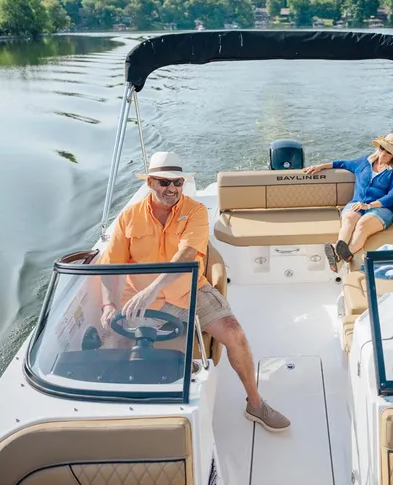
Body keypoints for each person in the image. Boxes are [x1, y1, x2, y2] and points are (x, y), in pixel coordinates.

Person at [98, 151, 290, 432]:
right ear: (150, 183)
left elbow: (188, 254)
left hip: (188, 290)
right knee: (119, 343)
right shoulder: (129, 216)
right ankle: (126, 413)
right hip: (139, 298)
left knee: (234, 332)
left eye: (177, 183)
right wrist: (108, 306)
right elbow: (109, 267)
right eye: (164, 183)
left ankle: (256, 402)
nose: (172, 189)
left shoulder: (196, 211)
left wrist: (152, 290)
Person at [302, 133, 393, 272]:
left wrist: (369, 205)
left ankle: (340, 254)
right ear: (379, 147)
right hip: (357, 203)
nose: (384, 153)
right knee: (349, 219)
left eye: (389, 151)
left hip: (381, 208)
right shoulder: (364, 162)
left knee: (362, 225)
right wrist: (320, 166)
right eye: (382, 148)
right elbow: (342, 163)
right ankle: (343, 255)